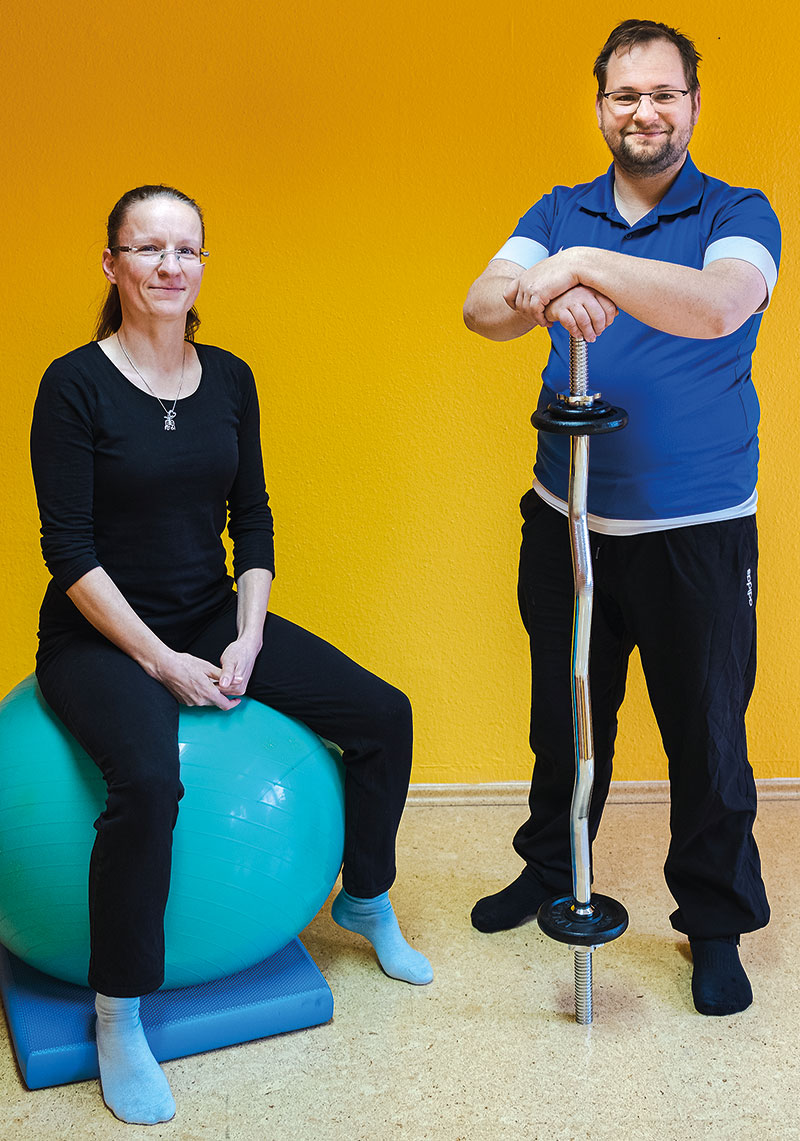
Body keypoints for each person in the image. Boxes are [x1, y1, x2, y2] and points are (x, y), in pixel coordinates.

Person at [30, 184, 432, 1125]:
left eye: (188, 250)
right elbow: (70, 552)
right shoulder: (73, 383)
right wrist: (165, 663)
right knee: (148, 780)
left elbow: (251, 519)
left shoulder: (233, 377)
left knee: (384, 714)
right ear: (112, 264)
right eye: (149, 249)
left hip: (212, 610)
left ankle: (366, 896)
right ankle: (118, 1010)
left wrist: (246, 633)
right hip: (101, 632)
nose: (171, 267)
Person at [463, 19, 780, 1017]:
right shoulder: (558, 210)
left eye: (662, 94)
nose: (642, 111)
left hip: (696, 533)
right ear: (598, 104)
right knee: (564, 723)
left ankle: (714, 922)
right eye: (622, 95)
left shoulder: (736, 211)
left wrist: (582, 271)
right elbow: (483, 306)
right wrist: (537, 283)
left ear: (692, 103)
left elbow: (717, 305)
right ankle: (551, 869)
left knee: (706, 739)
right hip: (565, 522)